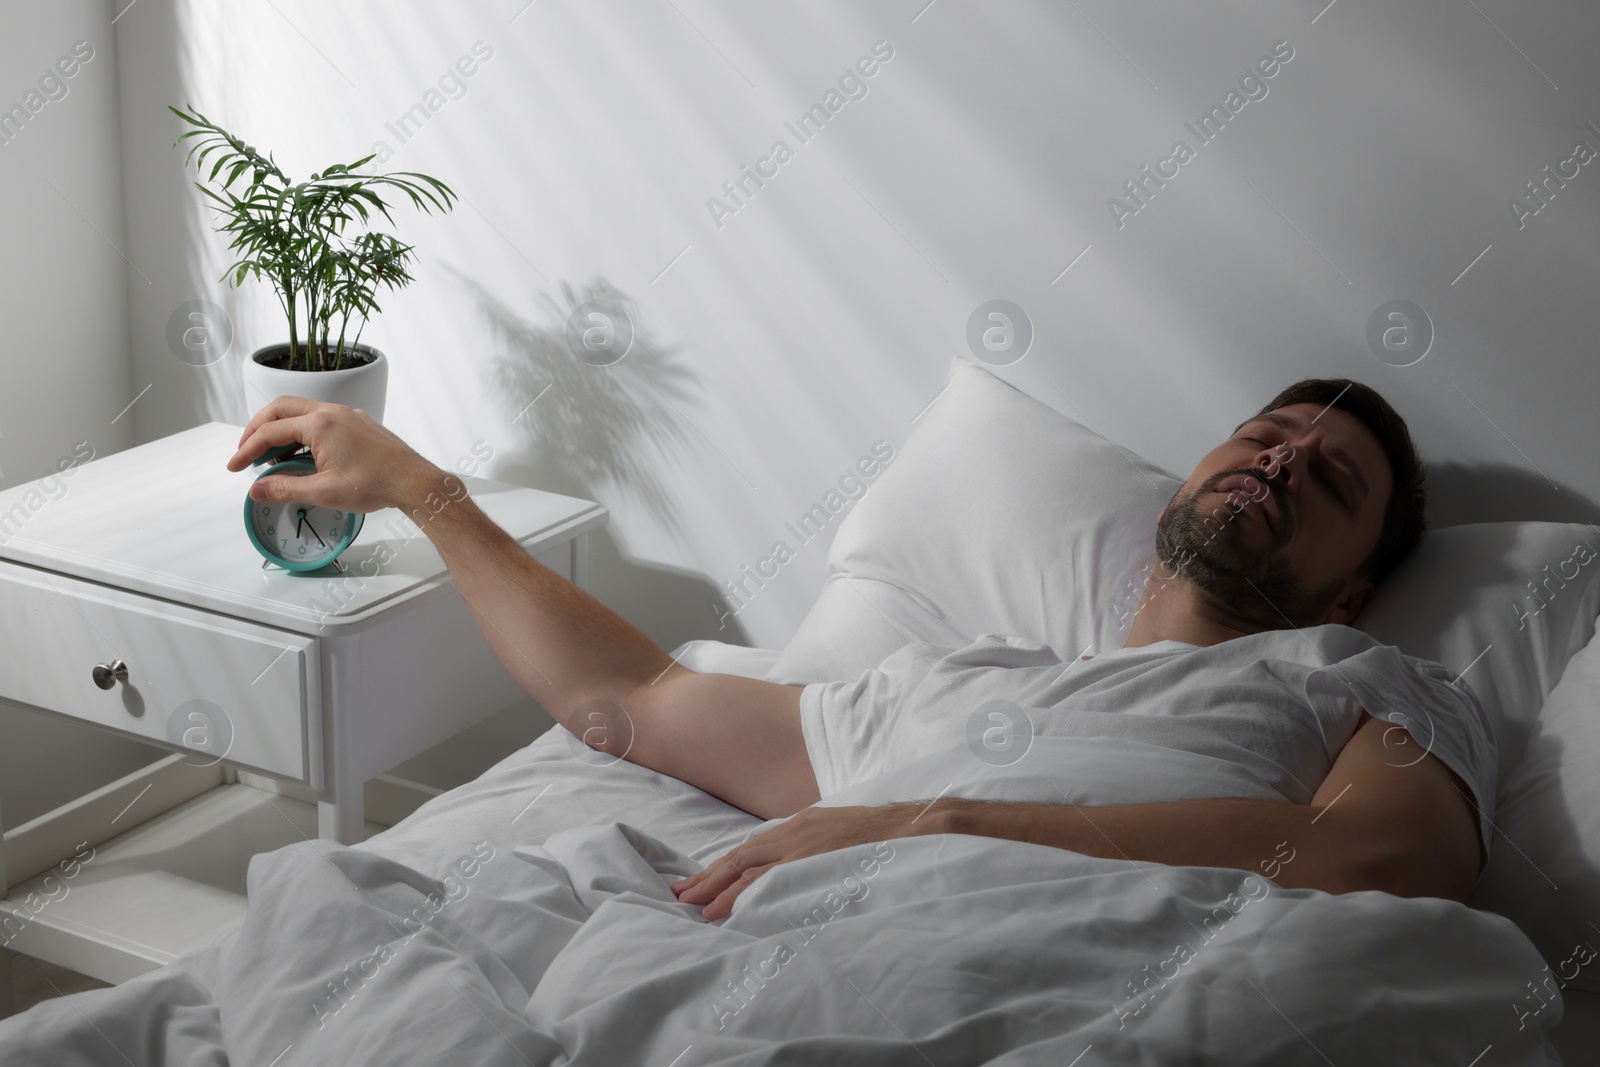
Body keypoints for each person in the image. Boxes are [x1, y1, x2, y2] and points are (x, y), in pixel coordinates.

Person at [226, 379, 1493, 923]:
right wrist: (421, 487)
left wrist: (936, 823)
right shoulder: (960, 685)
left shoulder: (1362, 684)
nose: (1278, 459)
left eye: (1327, 477)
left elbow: (1379, 856)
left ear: (1357, 585)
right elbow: (636, 698)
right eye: (1264, 434)